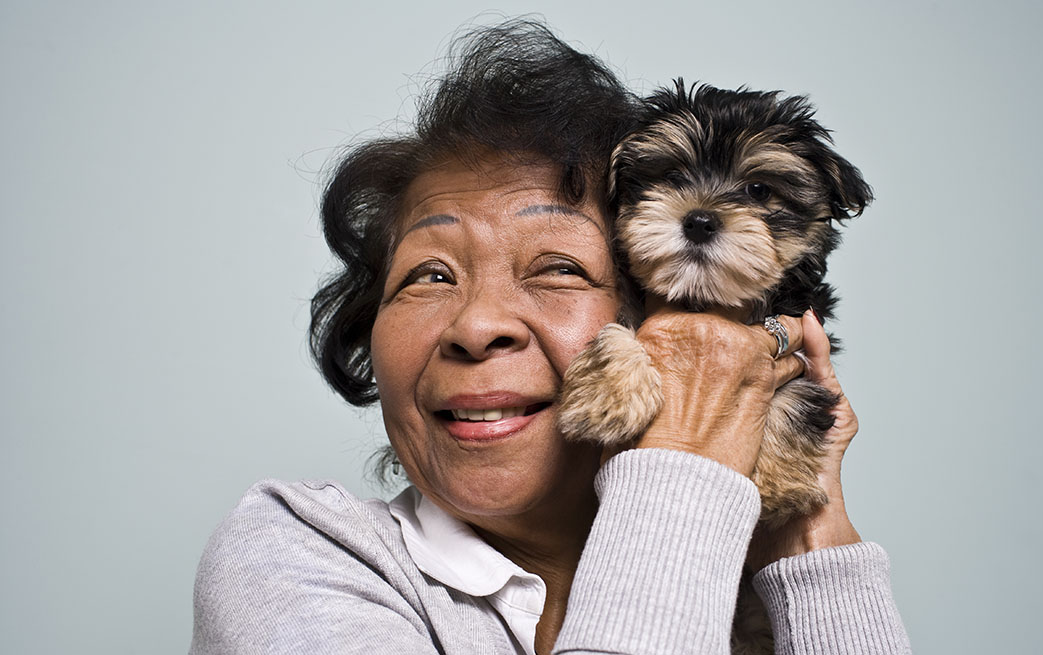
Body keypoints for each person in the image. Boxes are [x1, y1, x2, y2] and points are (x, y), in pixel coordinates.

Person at [191, 19, 911, 655]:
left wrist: (804, 537)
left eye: (559, 268)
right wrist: (687, 458)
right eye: (429, 276)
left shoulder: (765, 569)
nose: (476, 326)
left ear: (664, 306)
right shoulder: (298, 556)